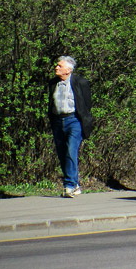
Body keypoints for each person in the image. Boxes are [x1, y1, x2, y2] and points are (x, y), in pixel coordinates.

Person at [47, 55, 93, 198]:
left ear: (68, 70)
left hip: (74, 121)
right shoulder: (53, 83)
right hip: (58, 121)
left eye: (60, 66)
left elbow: (87, 104)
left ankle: (69, 185)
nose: (56, 67)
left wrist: (85, 121)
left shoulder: (80, 82)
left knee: (70, 150)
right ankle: (75, 183)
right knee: (62, 154)